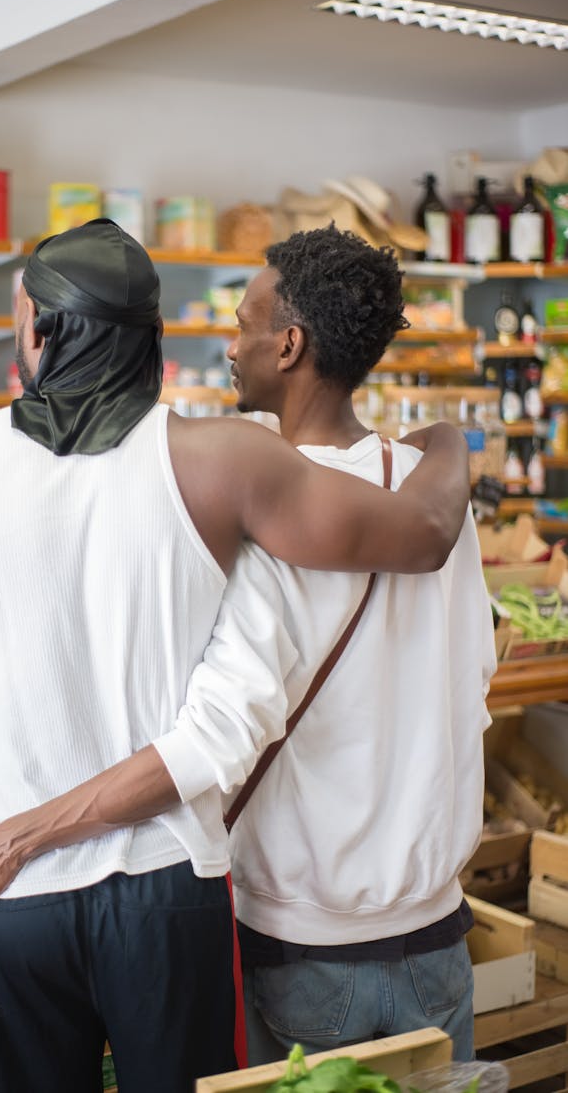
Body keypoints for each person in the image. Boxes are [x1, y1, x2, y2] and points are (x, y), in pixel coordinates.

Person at [0, 219, 470, 1093]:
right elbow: (424, 532)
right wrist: (449, 439)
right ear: (155, 341)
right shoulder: (224, 460)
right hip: (171, 892)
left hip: (9, 897)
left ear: (38, 333)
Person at [212, 224, 495, 1063]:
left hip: (302, 945)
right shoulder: (433, 495)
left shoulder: (261, 515)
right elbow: (476, 668)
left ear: (289, 344)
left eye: (243, 324)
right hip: (437, 934)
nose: (231, 346)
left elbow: (234, 721)